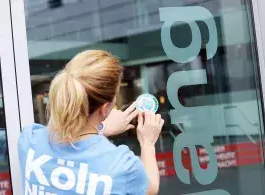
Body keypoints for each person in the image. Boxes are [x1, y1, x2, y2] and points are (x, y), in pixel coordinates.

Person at [18, 50, 164, 195]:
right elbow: (150, 188)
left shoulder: (30, 140)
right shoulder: (121, 165)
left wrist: (101, 128)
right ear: (105, 107)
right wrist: (147, 143)